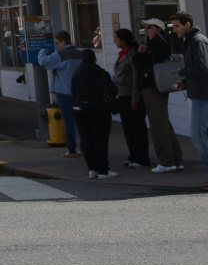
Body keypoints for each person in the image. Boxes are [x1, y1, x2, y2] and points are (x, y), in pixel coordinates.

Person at [170, 11, 208, 190]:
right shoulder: (193, 40)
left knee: (198, 136)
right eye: (173, 26)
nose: (174, 30)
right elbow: (200, 69)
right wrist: (185, 82)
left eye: (177, 26)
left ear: (187, 24)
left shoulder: (197, 41)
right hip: (205, 93)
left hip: (204, 96)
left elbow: (201, 68)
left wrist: (182, 73)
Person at [136, 18, 185, 173]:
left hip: (154, 87)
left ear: (158, 29)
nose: (147, 30)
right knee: (163, 123)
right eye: (146, 28)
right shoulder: (149, 44)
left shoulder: (160, 43)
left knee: (158, 125)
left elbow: (159, 57)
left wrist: (151, 42)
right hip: (150, 86)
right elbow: (137, 61)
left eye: (150, 27)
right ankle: (175, 159)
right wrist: (141, 51)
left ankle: (167, 161)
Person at [69, 48, 118, 180]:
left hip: (79, 108)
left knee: (86, 140)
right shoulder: (101, 73)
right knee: (100, 140)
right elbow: (113, 90)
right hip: (98, 109)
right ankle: (103, 170)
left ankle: (92, 169)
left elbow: (73, 91)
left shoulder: (77, 73)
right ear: (94, 59)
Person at [37, 31, 84, 157]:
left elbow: (42, 62)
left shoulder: (60, 54)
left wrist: (42, 51)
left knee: (68, 122)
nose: (57, 45)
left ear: (63, 41)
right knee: (81, 122)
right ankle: (84, 148)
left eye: (57, 42)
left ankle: (72, 149)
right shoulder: (80, 54)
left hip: (64, 93)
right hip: (79, 92)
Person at [111, 28, 150, 168]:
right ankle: (133, 154)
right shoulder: (122, 54)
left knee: (137, 127)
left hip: (130, 95)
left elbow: (136, 78)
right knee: (127, 128)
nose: (114, 41)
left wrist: (135, 99)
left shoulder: (133, 54)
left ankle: (142, 157)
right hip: (121, 94)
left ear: (124, 40)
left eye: (116, 38)